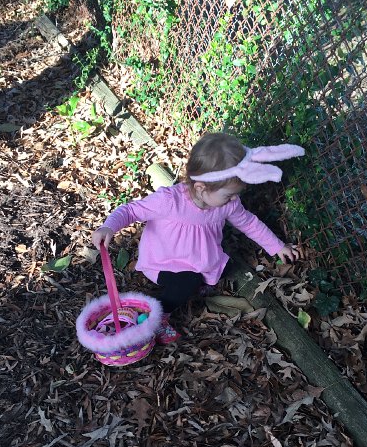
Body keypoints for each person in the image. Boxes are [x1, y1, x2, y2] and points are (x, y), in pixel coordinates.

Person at [92, 132, 305, 344]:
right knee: (186, 283)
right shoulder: (170, 201)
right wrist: (109, 227)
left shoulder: (228, 204)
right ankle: (157, 315)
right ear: (201, 188)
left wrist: (277, 246)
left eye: (235, 194)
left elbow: (249, 222)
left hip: (200, 258)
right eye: (228, 195)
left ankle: (198, 281)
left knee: (225, 267)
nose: (234, 199)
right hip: (166, 261)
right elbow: (131, 210)